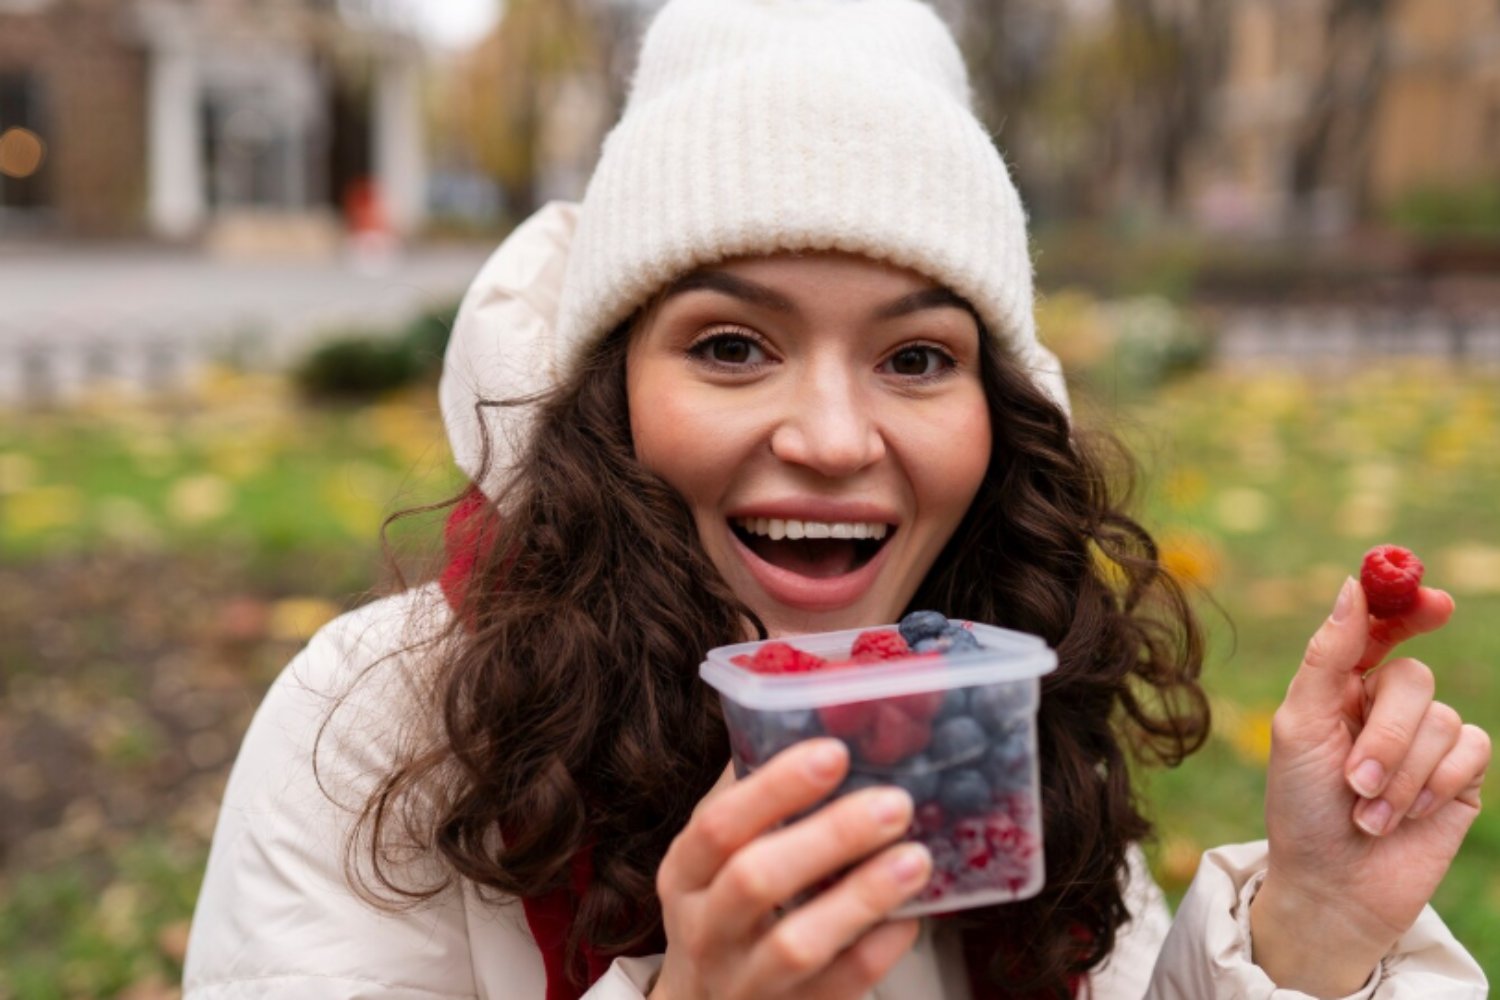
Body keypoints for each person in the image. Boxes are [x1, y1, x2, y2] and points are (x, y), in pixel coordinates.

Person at [182, 0, 1490, 997]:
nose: (828, 437)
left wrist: (1315, 927)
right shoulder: (383, 730)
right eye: (731, 346)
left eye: (917, 357)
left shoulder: (1006, 696)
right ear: (609, 390)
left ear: (998, 413)